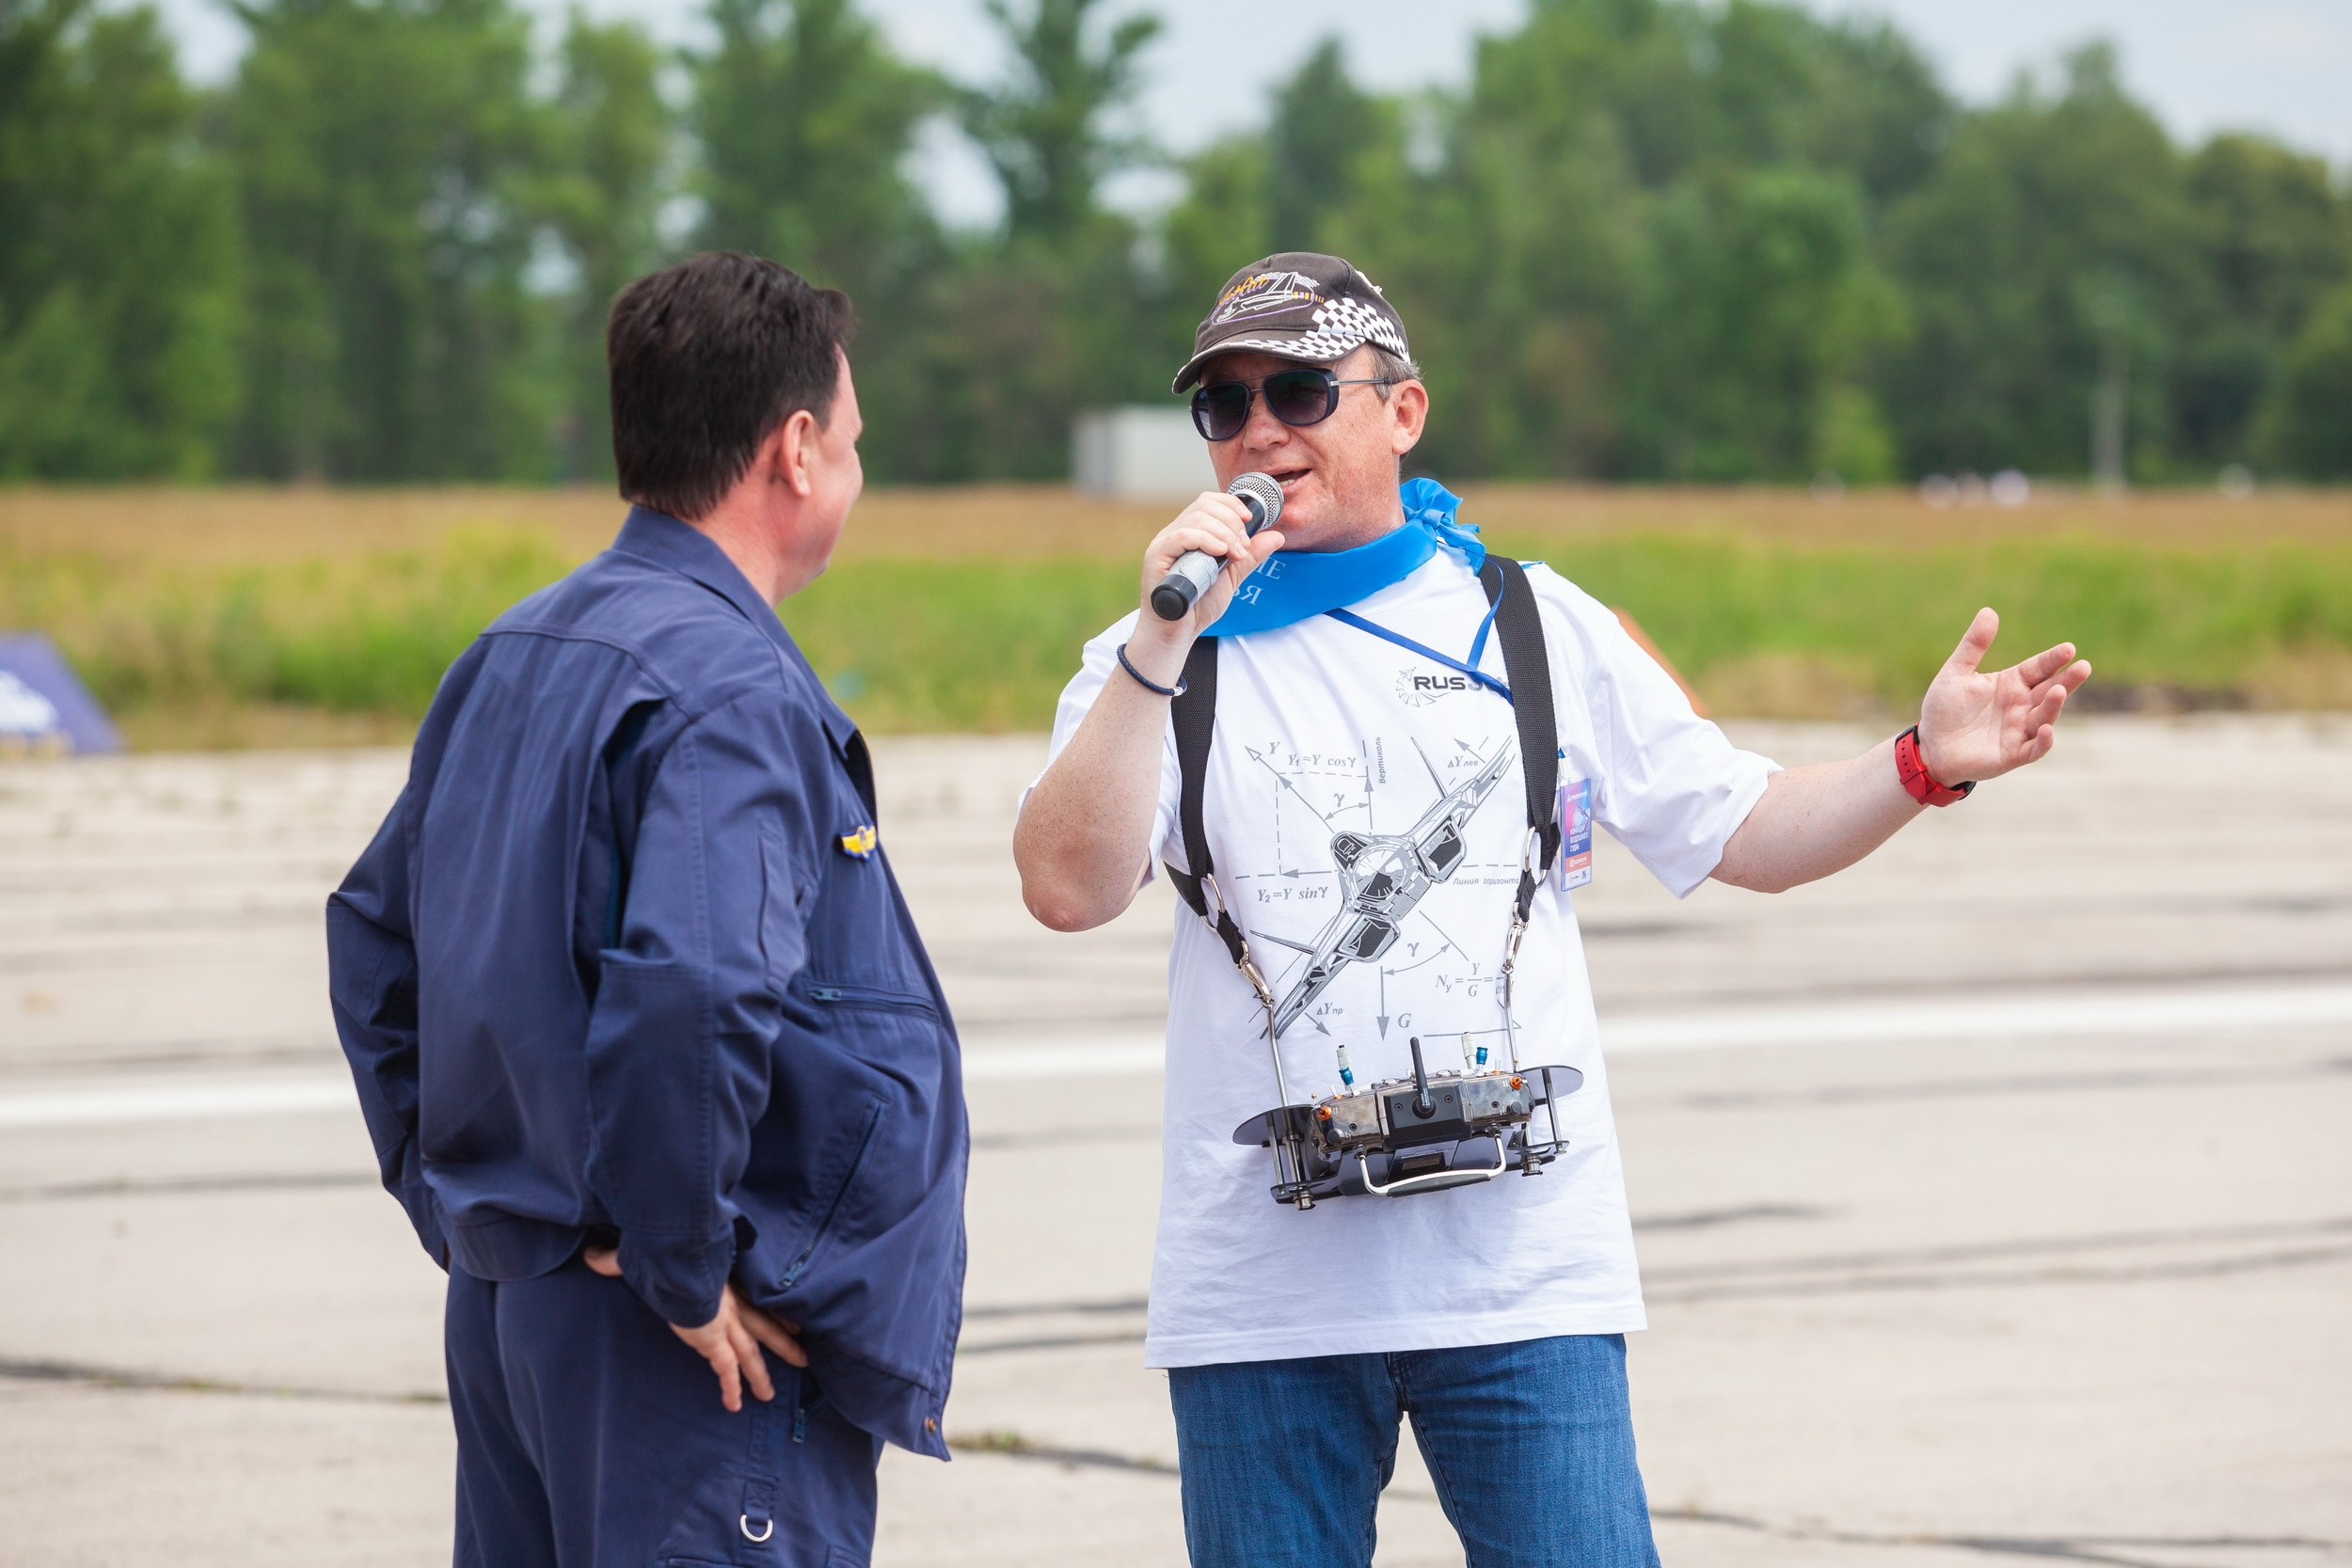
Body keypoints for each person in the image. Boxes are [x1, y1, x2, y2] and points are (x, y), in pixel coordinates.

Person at [1013, 251, 2090, 1568]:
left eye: (1300, 392)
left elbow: (1743, 827)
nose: (1260, 432)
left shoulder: (1537, 622)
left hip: (1524, 1288)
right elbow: (1064, 888)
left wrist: (1919, 765)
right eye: (1224, 405)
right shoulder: (1157, 655)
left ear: (1403, 412)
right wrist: (1158, 642)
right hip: (1262, 1306)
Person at [327, 251, 966, 1568]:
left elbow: (375, 943)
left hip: (522, 1313)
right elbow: (695, 986)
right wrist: (680, 1263)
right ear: (795, 449)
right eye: (853, 444)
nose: (855, 472)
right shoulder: (730, 688)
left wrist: (476, 1216)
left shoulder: (513, 652)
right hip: (688, 1355)